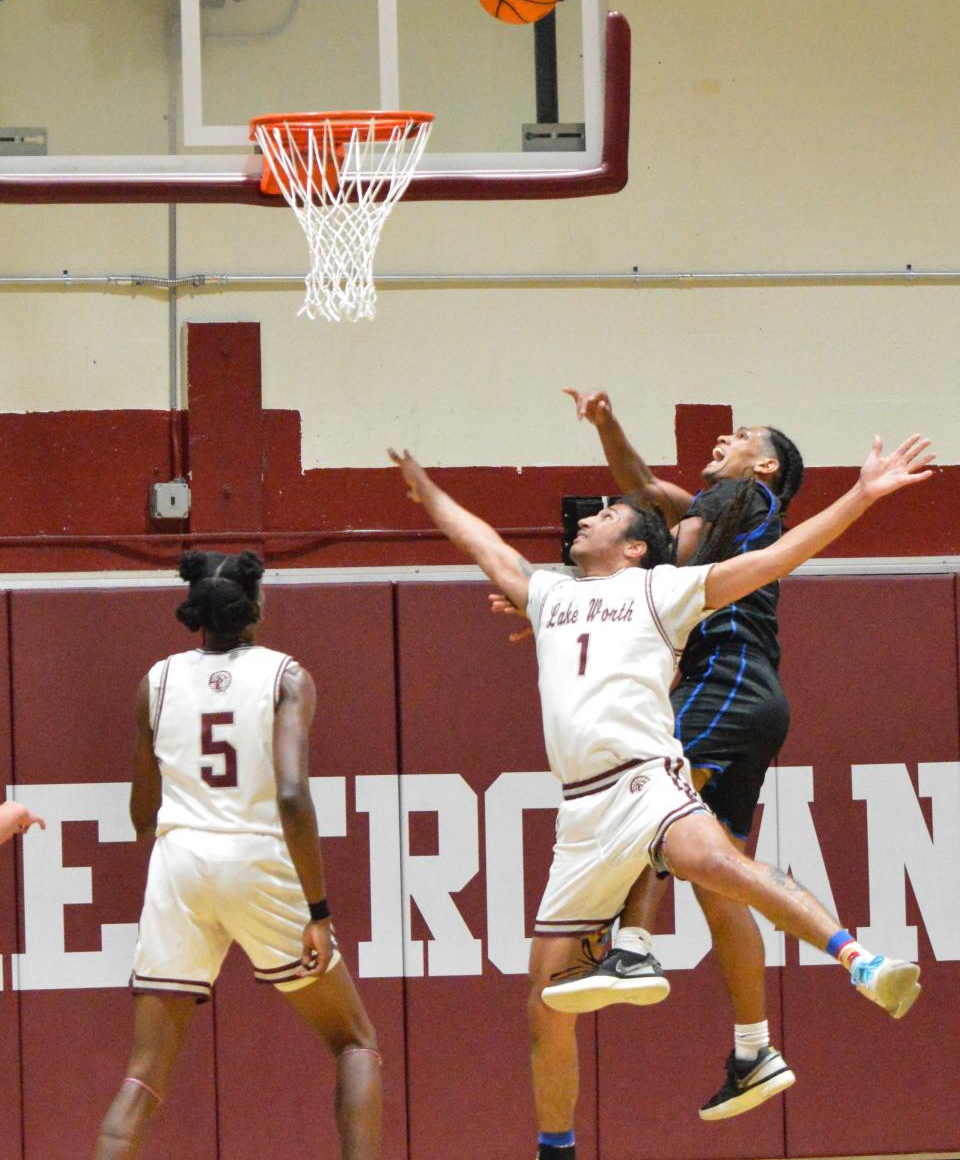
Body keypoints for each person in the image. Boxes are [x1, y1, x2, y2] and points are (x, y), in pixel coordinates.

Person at [389, 435, 930, 1160]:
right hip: (581, 816)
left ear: (638, 547)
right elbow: (483, 542)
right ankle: (560, 1147)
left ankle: (859, 961)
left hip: (647, 778)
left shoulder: (663, 589)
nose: (591, 517)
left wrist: (862, 494)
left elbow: (778, 557)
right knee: (544, 1006)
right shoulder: (551, 596)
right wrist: (428, 491)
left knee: (720, 865)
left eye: (608, 513)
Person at [543, 389, 805, 1121]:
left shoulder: (739, 499)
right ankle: (754, 1050)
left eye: (745, 433)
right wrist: (606, 423)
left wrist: (574, 602)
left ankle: (630, 943)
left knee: (647, 800)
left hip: (723, 681)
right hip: (752, 699)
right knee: (718, 881)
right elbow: (643, 489)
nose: (726, 435)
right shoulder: (719, 504)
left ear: (767, 464)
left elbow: (660, 558)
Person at [93, 550, 380, 1160]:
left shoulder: (156, 681)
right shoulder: (287, 676)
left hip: (179, 862)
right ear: (257, 605)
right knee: (355, 1043)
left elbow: (141, 815)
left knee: (142, 1075)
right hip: (255, 856)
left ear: (195, 609)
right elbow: (293, 797)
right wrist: (318, 910)